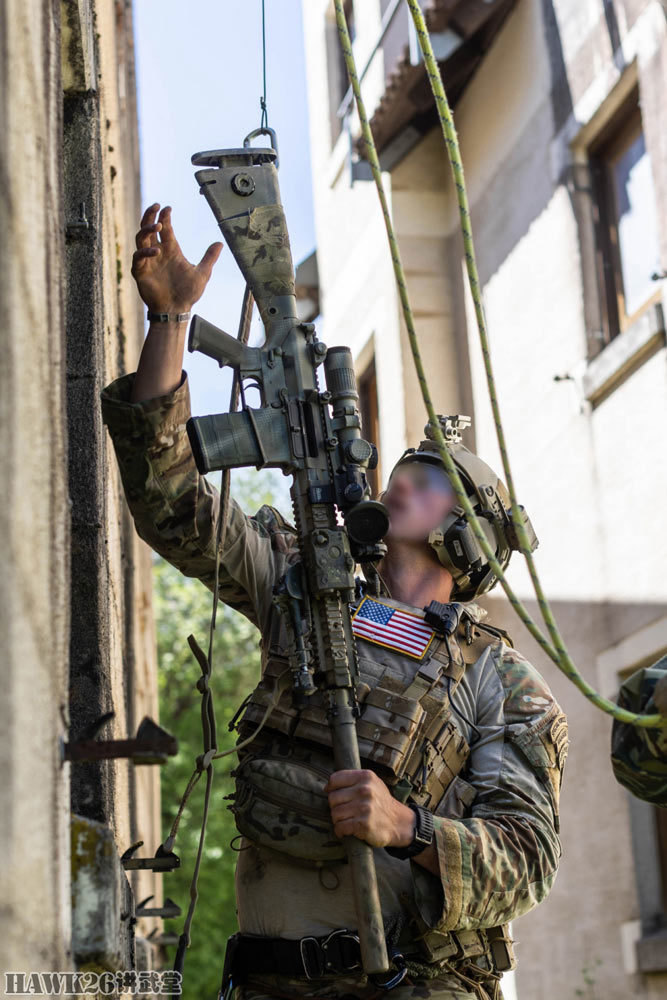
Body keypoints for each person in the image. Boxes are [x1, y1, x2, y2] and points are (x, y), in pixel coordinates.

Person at [100, 203, 569, 1000]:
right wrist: (173, 319)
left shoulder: (499, 680)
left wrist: (407, 828)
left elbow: (524, 860)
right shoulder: (305, 582)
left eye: (434, 481)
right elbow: (170, 502)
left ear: (470, 540)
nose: (406, 479)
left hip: (405, 984)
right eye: (408, 467)